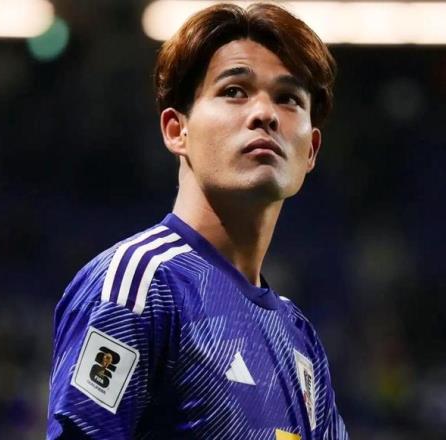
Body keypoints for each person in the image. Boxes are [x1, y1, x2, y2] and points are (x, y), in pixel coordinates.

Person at [47, 3, 348, 439]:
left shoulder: (300, 340)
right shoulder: (141, 286)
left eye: (288, 98)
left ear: (312, 151)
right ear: (176, 130)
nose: (265, 114)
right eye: (235, 91)